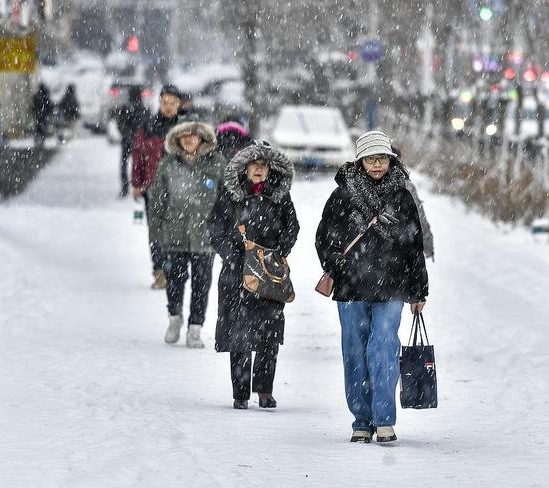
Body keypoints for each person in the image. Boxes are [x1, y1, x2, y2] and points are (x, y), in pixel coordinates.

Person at [315, 130, 432, 444]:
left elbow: (413, 245)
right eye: (370, 158)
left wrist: (419, 289)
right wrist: (333, 262)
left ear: (390, 159)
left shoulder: (402, 196)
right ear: (360, 160)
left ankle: (383, 420)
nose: (377, 164)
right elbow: (324, 237)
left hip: (391, 286)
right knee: (354, 351)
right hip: (351, 286)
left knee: (383, 348)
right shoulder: (342, 196)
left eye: (382, 158)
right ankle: (361, 420)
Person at [208, 140, 299, 409]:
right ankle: (240, 392)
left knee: (269, 333)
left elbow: (292, 226)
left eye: (263, 166)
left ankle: (264, 390)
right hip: (236, 274)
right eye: (254, 165)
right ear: (245, 168)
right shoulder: (231, 195)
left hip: (269, 274)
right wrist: (232, 255)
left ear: (270, 169)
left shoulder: (280, 196)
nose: (258, 170)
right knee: (239, 332)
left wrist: (280, 250)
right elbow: (216, 228)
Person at [148, 120, 226, 348]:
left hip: (205, 238)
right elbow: (157, 203)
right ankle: (174, 318)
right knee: (175, 281)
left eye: (193, 135)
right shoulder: (168, 165)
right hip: (174, 235)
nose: (189, 140)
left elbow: (227, 202)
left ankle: (195, 327)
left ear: (201, 138)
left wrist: (223, 233)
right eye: (184, 137)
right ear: (178, 140)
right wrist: (157, 234)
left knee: (202, 284)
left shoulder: (217, 164)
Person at [132, 84, 182, 289]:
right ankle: (159, 271)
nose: (168, 107)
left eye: (173, 103)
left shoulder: (185, 128)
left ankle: (175, 271)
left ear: (179, 104)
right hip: (153, 187)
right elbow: (138, 156)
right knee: (156, 232)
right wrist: (136, 183)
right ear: (159, 102)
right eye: (165, 102)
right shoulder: (148, 127)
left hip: (180, 188)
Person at [117, 86, 149, 198]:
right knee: (140, 165)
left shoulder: (126, 108)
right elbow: (147, 125)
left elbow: (120, 124)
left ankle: (126, 188)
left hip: (130, 140)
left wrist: (128, 134)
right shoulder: (144, 109)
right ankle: (140, 187)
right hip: (137, 141)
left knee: (125, 165)